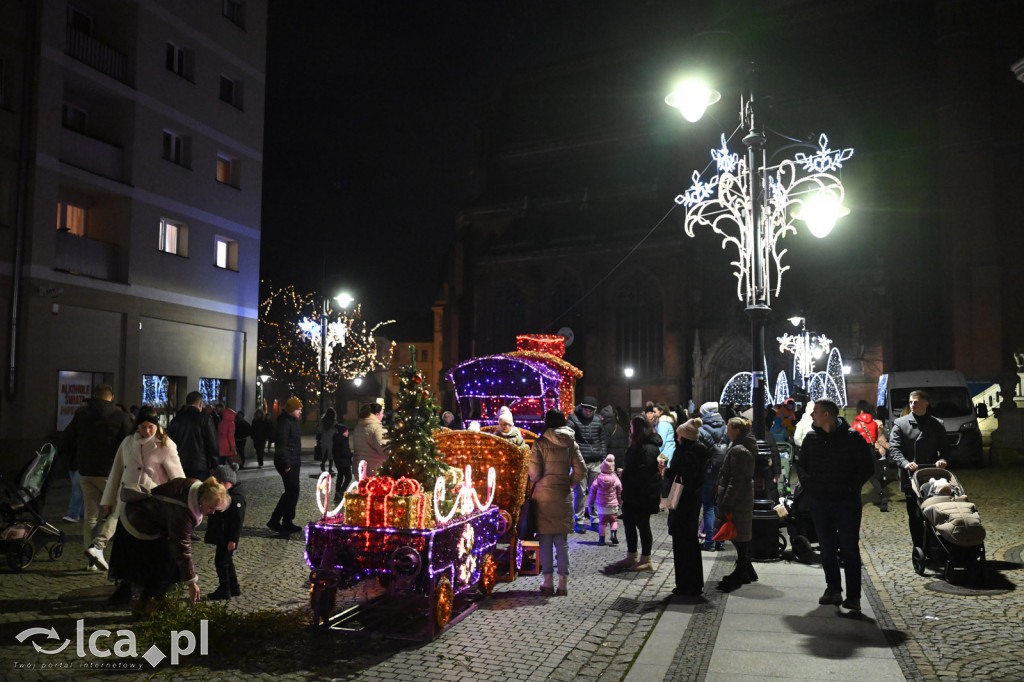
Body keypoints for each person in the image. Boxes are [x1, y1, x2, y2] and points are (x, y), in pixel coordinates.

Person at [101, 405, 185, 604]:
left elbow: (178, 480)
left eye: (151, 427)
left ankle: (154, 591)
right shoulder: (128, 442)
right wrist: (108, 500)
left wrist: (179, 507)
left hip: (153, 511)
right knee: (126, 551)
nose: (147, 431)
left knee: (155, 552)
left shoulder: (166, 445)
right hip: (128, 506)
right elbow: (116, 472)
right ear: (137, 426)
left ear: (157, 426)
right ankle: (125, 588)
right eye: (143, 427)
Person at [797, 398, 875, 611]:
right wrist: (809, 485)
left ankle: (853, 596)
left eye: (815, 411)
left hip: (846, 503)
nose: (812, 414)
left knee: (849, 548)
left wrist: (851, 487)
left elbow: (867, 466)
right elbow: (801, 465)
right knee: (826, 548)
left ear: (827, 414)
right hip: (820, 502)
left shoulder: (852, 438)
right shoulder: (812, 438)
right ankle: (833, 589)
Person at [108, 477, 229, 610]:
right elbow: (182, 548)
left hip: (143, 515)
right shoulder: (183, 513)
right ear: (202, 500)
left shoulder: (195, 486)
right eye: (211, 508)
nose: (212, 513)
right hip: (138, 523)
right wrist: (192, 582)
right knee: (159, 567)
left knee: (154, 564)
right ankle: (148, 605)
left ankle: (145, 599)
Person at [59, 384, 135, 571]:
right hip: (110, 473)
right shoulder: (121, 417)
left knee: (91, 516)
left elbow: (65, 441)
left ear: (93, 397)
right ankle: (97, 547)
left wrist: (75, 459)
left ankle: (91, 561)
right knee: (116, 511)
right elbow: (130, 445)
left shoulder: (81, 415)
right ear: (111, 397)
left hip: (85, 471)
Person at [528, 409, 587, 596]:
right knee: (562, 542)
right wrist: (568, 481)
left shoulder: (540, 443)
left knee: (545, 541)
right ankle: (563, 584)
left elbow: (535, 474)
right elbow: (581, 470)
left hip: (543, 498)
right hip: (563, 496)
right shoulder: (571, 443)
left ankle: (547, 582)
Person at [887, 389, 951, 552]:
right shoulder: (900, 424)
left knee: (935, 511)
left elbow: (946, 449)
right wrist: (904, 463)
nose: (912, 405)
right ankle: (919, 545)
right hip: (912, 476)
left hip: (932, 475)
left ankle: (935, 544)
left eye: (916, 402)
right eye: (910, 402)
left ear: (926, 403)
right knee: (915, 516)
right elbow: (894, 449)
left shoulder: (937, 424)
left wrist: (943, 459)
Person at [612, 415, 663, 572]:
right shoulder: (638, 445)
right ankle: (632, 555)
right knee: (629, 524)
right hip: (633, 493)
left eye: (632, 427)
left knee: (643, 526)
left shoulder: (647, 448)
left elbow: (643, 473)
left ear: (638, 429)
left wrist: (625, 474)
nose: (630, 429)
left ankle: (646, 559)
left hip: (643, 494)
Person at [713, 417, 757, 593]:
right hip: (742, 497)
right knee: (740, 535)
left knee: (739, 536)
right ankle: (746, 569)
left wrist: (727, 502)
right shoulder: (742, 446)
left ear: (737, 430)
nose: (727, 431)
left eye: (729, 428)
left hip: (739, 499)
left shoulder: (739, 450)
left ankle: (741, 572)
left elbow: (735, 480)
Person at [668, 418, 710, 596]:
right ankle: (692, 583)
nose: (677, 439)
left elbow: (681, 475)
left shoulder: (687, 455)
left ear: (684, 438)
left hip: (684, 502)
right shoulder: (697, 452)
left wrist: (667, 472)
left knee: (682, 542)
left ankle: (686, 584)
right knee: (689, 542)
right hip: (690, 501)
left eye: (679, 436)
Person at [206, 464, 246, 600]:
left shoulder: (235, 499)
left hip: (227, 538)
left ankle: (224, 589)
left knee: (221, 562)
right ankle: (234, 587)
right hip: (224, 536)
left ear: (224, 482)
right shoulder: (231, 495)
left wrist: (233, 539)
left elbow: (237, 522)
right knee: (227, 562)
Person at [567, 396, 606, 532]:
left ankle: (595, 519)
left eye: (590, 410)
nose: (588, 412)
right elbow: (569, 437)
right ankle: (579, 520)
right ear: (582, 407)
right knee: (580, 492)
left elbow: (602, 440)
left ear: (594, 410)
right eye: (586, 409)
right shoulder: (573, 419)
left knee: (595, 491)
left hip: (595, 460)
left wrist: (604, 458)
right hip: (580, 461)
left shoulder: (597, 420)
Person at [267, 397, 304, 534]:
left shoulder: (292, 421)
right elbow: (281, 444)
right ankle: (277, 520)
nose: (300, 411)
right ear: (291, 410)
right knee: (292, 491)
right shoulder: (285, 422)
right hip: (288, 463)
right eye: (298, 409)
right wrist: (286, 464)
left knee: (292, 492)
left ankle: (285, 520)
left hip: (294, 462)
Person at [167, 391, 219, 481]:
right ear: (200, 403)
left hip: (179, 465)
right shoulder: (205, 419)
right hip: (200, 466)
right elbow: (212, 443)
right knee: (198, 492)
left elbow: (170, 443)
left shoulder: (176, 420)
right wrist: (215, 464)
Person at [697, 402, 728, 551]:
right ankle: (720, 540)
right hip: (723, 471)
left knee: (708, 506)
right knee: (719, 506)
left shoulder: (702, 430)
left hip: (708, 471)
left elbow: (700, 454)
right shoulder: (726, 428)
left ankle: (710, 541)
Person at [586, 454, 622, 546]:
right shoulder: (615, 479)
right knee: (614, 521)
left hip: (601, 506)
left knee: (602, 523)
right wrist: (620, 502)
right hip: (613, 505)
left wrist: (590, 504)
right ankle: (613, 534)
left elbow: (592, 492)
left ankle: (601, 540)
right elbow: (620, 492)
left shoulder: (598, 479)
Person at [352, 402, 388, 476]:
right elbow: (384, 450)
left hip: (360, 469)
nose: (383, 416)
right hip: (375, 470)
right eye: (382, 413)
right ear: (377, 414)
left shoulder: (358, 427)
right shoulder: (377, 429)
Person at [332, 424, 354, 503]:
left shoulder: (336, 439)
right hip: (344, 462)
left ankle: (337, 495)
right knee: (348, 477)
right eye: (346, 431)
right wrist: (351, 455)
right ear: (342, 432)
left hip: (338, 462)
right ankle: (341, 492)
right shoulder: (343, 439)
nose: (348, 433)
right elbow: (345, 452)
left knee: (340, 477)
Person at [318, 407, 339, 475]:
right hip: (331, 438)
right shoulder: (334, 421)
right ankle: (329, 468)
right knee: (331, 453)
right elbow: (336, 430)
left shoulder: (323, 420)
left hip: (324, 437)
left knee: (325, 452)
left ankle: (323, 464)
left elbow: (320, 429)